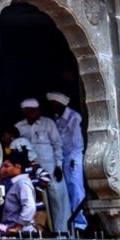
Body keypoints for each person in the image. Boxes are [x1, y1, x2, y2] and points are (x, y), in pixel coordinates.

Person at [16, 98, 70, 234]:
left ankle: (61, 232)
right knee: (37, 201)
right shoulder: (19, 126)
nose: (34, 113)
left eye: (36, 110)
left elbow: (57, 144)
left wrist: (58, 165)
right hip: (32, 169)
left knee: (57, 198)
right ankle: (41, 231)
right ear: (25, 111)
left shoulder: (48, 123)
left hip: (50, 167)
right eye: (31, 111)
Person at [46, 91, 88, 231]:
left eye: (54, 104)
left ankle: (80, 222)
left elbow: (76, 143)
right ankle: (71, 221)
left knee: (76, 187)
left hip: (73, 157)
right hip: (64, 158)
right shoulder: (57, 120)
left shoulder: (73, 118)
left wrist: (71, 161)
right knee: (67, 190)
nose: (52, 108)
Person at [0, 151, 37, 235]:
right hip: (13, 230)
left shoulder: (22, 184)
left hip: (22, 232)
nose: (4, 169)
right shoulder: (15, 184)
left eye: (7, 166)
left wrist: (18, 227)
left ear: (18, 167)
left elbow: (30, 206)